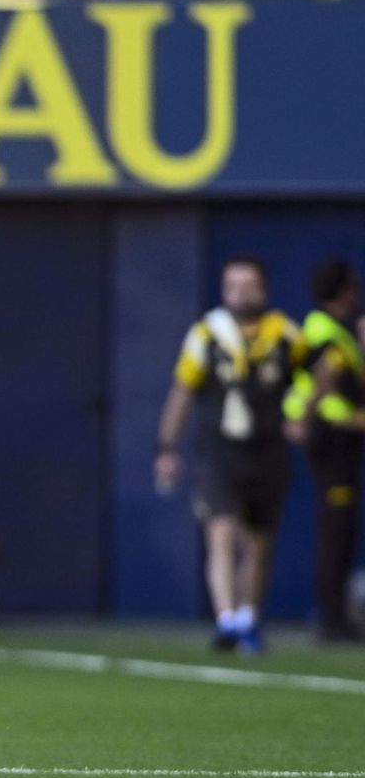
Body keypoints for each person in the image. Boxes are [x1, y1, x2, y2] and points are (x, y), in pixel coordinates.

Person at [155, 257, 307, 654]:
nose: (242, 292)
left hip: (268, 450)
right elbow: (182, 391)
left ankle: (248, 617)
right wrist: (166, 446)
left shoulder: (286, 334)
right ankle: (226, 621)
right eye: (233, 284)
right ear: (223, 290)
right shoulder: (207, 333)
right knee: (220, 531)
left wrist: (301, 413)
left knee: (259, 542)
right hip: (219, 450)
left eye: (250, 284)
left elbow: (310, 380)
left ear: (264, 288)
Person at [285, 259, 365, 642]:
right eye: (353, 285)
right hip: (331, 438)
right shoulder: (327, 331)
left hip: (335, 436)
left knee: (341, 526)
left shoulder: (328, 327)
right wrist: (306, 419)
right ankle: (332, 619)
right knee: (336, 527)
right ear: (342, 290)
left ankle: (335, 615)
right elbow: (323, 380)